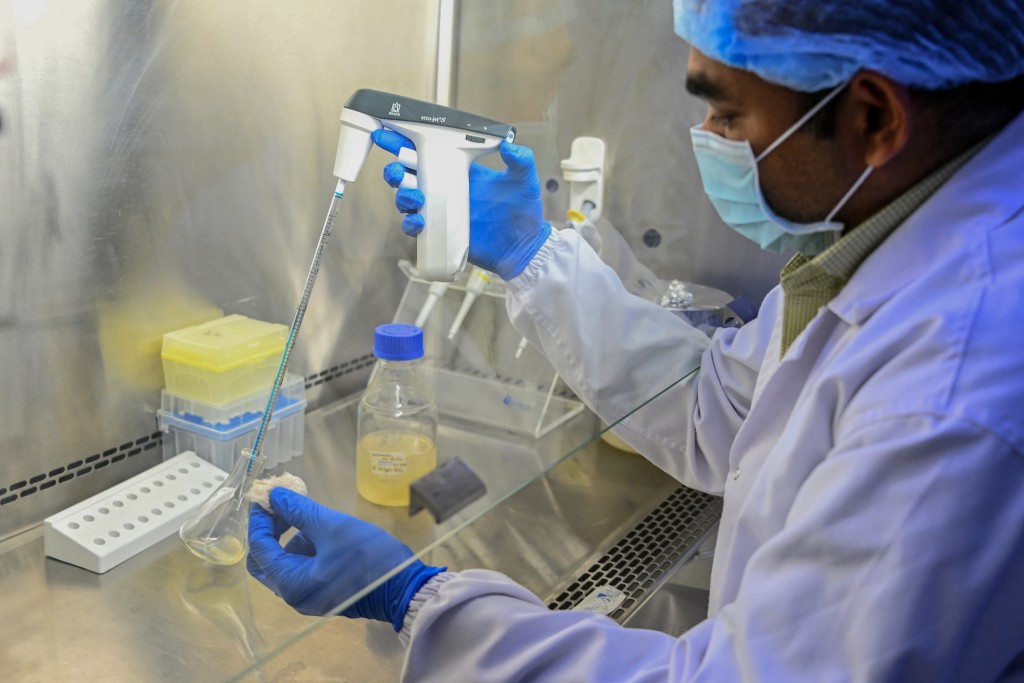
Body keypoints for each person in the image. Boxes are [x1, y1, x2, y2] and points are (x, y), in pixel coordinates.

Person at [246, 0, 1024, 679]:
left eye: (729, 115)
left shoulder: (954, 385)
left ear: (874, 118)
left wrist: (419, 600)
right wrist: (530, 253)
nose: (708, 138)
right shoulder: (895, 245)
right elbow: (717, 405)